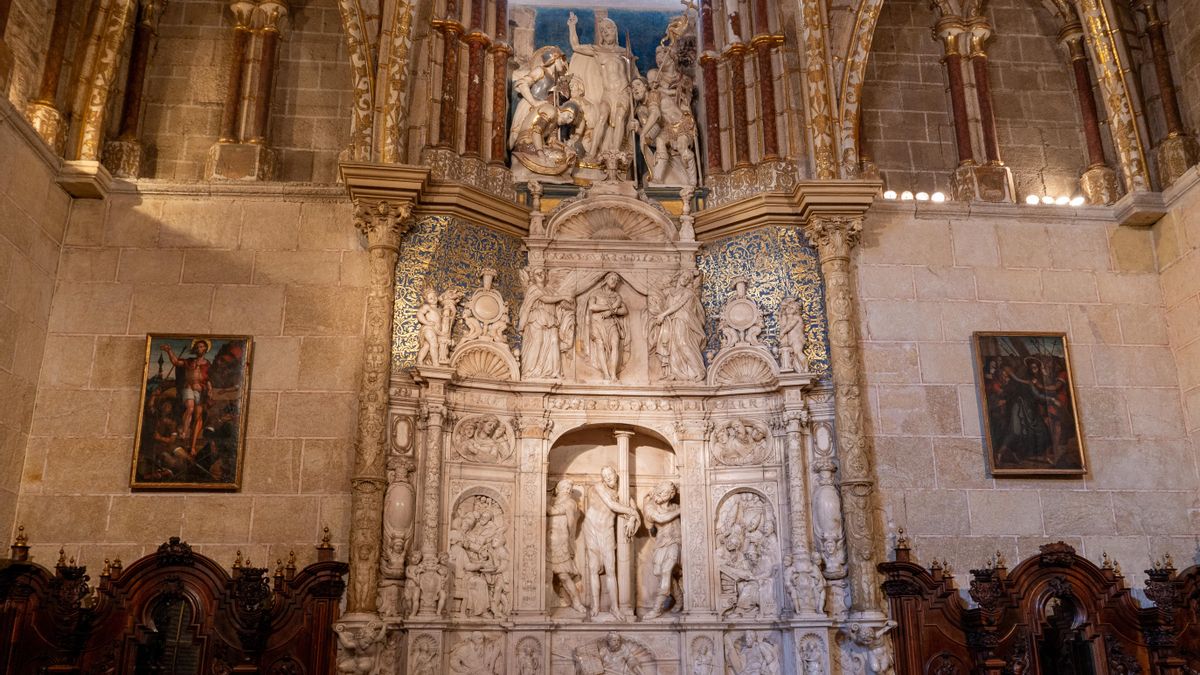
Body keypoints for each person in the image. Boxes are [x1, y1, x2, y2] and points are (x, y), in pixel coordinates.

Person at [566, 12, 635, 155]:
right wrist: (572, 26)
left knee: (620, 117)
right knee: (602, 117)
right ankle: (591, 154)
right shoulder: (597, 50)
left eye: (608, 28)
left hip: (623, 91)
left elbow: (635, 75)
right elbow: (576, 46)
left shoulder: (625, 52)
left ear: (614, 30)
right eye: (602, 30)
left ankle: (614, 153)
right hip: (607, 93)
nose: (605, 32)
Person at [581, 466, 640, 620]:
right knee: (593, 568)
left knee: (610, 569)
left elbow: (633, 508)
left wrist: (633, 517)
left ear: (616, 475)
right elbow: (612, 505)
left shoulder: (622, 493)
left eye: (610, 474)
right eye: (605, 476)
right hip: (591, 527)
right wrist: (631, 513)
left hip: (607, 530)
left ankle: (614, 607)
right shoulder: (599, 487)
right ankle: (595, 606)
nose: (608, 478)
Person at [518, 267, 575, 379]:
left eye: (542, 273)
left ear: (546, 276)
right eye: (537, 273)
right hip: (537, 319)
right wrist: (563, 297)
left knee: (554, 342)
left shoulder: (550, 291)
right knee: (538, 342)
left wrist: (569, 305)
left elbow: (558, 303)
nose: (540, 274)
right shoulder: (533, 289)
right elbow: (545, 299)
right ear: (533, 277)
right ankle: (531, 371)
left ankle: (555, 372)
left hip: (551, 319)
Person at [650, 270, 706, 381]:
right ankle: (675, 373)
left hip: (683, 320)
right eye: (683, 276)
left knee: (683, 344)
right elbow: (654, 291)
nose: (685, 279)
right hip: (671, 321)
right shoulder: (670, 292)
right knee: (672, 347)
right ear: (679, 276)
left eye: (688, 278)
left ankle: (699, 370)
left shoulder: (688, 293)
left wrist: (663, 314)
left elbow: (677, 305)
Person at [160, 339, 212, 455]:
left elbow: (208, 379)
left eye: (202, 347)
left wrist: (209, 389)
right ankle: (184, 431)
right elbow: (175, 362)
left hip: (199, 391)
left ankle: (192, 444)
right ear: (195, 349)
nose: (199, 349)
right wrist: (169, 351)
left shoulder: (207, 364)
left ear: (205, 349)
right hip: (188, 387)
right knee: (190, 407)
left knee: (198, 413)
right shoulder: (189, 361)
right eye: (197, 347)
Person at [547, 479, 588, 613]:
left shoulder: (569, 503)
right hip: (546, 542)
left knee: (563, 575)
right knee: (545, 574)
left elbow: (570, 524)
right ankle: (548, 603)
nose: (567, 491)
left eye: (568, 489)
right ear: (558, 490)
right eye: (564, 488)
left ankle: (576, 602)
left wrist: (570, 542)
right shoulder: (555, 501)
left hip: (559, 542)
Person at [641, 481, 681, 618]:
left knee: (666, 571)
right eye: (660, 491)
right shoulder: (651, 507)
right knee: (659, 572)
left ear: (671, 495)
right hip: (661, 543)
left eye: (665, 492)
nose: (661, 494)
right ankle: (680, 599)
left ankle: (657, 609)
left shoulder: (676, 506)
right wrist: (681, 510)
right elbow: (661, 518)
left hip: (675, 542)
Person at [584, 273, 628, 382]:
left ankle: (613, 375)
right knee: (600, 346)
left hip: (612, 323)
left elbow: (625, 310)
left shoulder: (617, 296)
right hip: (597, 323)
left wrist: (612, 312)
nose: (614, 281)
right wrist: (608, 308)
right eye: (612, 278)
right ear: (606, 279)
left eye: (617, 280)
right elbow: (592, 306)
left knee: (615, 344)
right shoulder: (596, 293)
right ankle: (606, 375)